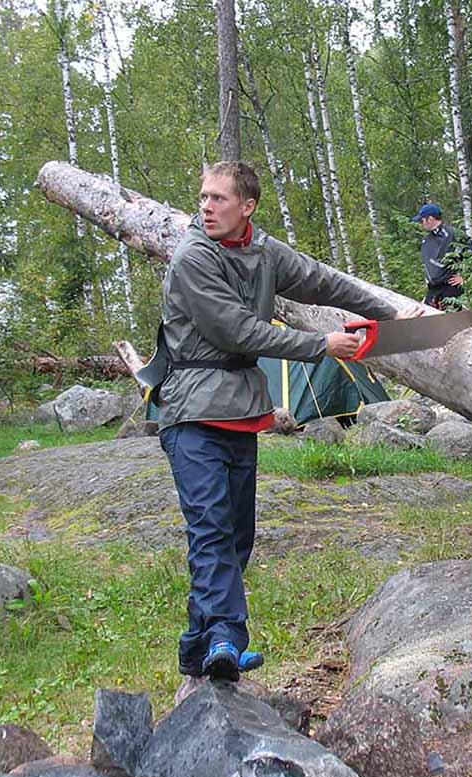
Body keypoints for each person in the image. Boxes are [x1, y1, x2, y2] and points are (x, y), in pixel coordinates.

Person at [156, 161, 421, 681]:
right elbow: (239, 331)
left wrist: (387, 311)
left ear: (247, 207)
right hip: (191, 410)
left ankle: (196, 644)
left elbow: (324, 283)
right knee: (210, 531)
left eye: (218, 199)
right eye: (203, 197)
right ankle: (228, 641)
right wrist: (319, 346)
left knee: (235, 539)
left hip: (237, 409)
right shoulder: (192, 258)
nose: (206, 207)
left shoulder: (264, 250)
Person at [412, 202, 472, 309]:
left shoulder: (454, 234)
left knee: (453, 322)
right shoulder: (426, 240)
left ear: (430, 219)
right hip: (433, 291)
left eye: (422, 220)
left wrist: (466, 278)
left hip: (451, 288)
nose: (421, 224)